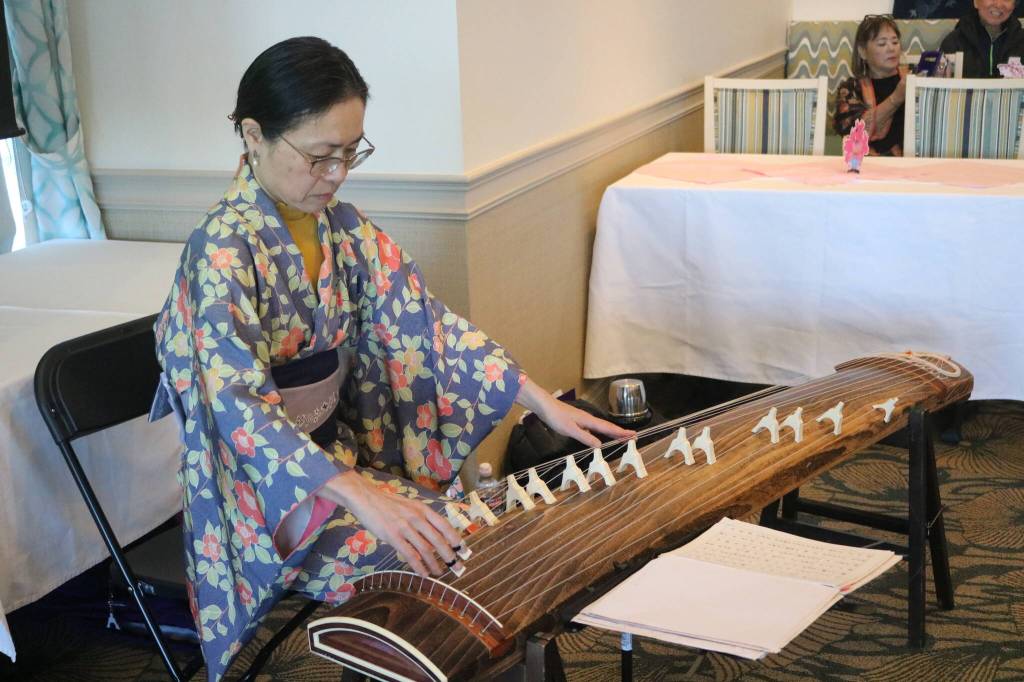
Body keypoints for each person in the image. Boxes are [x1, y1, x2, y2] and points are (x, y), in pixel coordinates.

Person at [152, 36, 632, 680]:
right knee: (440, 563)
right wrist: (363, 499)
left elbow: (422, 326)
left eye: (350, 154)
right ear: (253, 135)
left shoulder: (343, 228)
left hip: (337, 465)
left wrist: (541, 400)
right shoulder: (218, 253)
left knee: (487, 539)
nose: (337, 175)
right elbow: (235, 410)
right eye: (321, 156)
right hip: (266, 500)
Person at [834, 15, 909, 157]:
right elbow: (853, 134)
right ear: (862, 52)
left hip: (913, 164)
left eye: (895, 42)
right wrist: (897, 97)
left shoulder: (912, 79)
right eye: (882, 44)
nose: (891, 48)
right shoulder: (851, 88)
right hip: (868, 165)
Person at [940, 0, 1024, 77]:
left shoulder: (1021, 41)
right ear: (976, 2)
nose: (998, 4)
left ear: (1013, 6)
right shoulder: (954, 42)